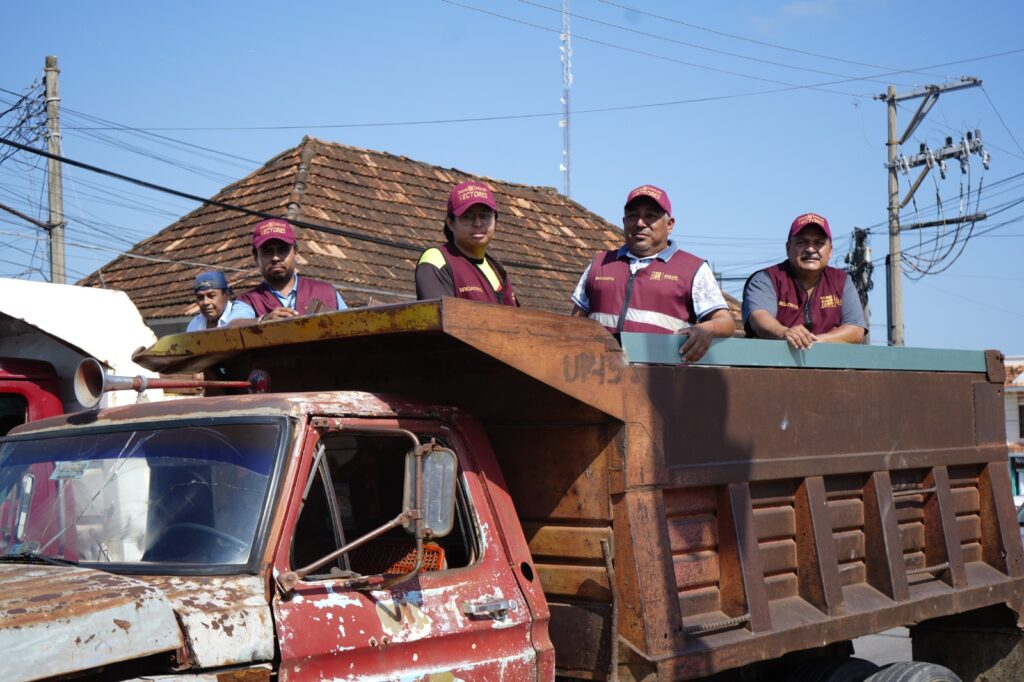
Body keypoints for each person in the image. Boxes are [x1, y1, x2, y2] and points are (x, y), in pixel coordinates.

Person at [570, 184, 734, 362]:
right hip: (598, 378)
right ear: (624, 222)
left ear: (669, 225)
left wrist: (706, 329)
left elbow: (725, 322)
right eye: (632, 216)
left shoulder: (692, 268)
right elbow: (576, 322)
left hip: (661, 381)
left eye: (650, 216)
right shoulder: (599, 263)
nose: (640, 223)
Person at [742, 212, 866, 348]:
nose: (811, 249)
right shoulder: (766, 279)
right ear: (788, 248)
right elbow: (758, 317)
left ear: (830, 251)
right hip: (773, 365)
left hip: (830, 366)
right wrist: (785, 333)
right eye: (802, 242)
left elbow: (856, 330)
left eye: (819, 243)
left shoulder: (842, 281)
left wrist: (816, 341)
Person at [224, 218, 347, 326]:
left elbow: (353, 327)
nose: (275, 258)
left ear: (296, 252)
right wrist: (264, 320)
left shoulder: (327, 292)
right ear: (256, 257)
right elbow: (233, 326)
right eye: (267, 251)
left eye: (282, 250)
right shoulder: (247, 301)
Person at [415, 181, 519, 306]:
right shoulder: (437, 259)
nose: (478, 223)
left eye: (484, 216)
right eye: (468, 217)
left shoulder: (497, 269)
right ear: (450, 223)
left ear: (495, 221)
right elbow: (440, 318)